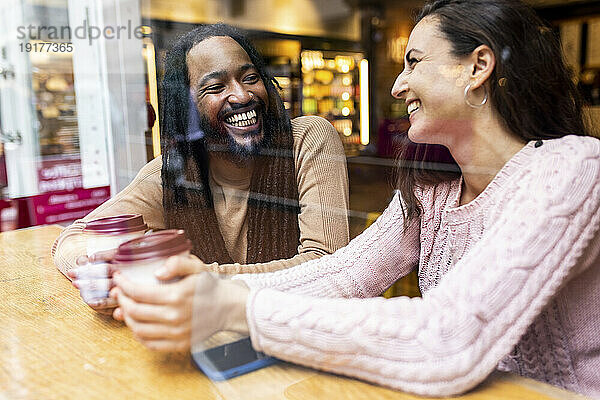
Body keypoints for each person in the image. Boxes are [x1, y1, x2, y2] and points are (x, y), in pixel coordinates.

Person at [110, 1, 600, 397]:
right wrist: (209, 292)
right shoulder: (432, 190)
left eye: (414, 62)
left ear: (478, 66)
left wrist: (230, 307)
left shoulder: (572, 167)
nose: (397, 84)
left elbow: (448, 339)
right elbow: (344, 274)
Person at [52, 24, 350, 315]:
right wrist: (100, 271)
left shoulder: (307, 138)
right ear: (188, 109)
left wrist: (198, 282)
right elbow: (71, 238)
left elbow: (326, 265)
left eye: (250, 77)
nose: (242, 96)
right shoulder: (171, 174)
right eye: (216, 87)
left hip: (298, 334)